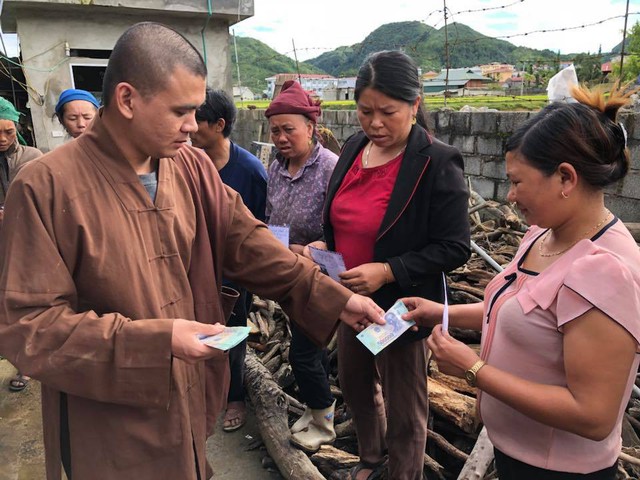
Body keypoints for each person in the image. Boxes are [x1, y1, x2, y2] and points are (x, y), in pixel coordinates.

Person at [0, 22, 384, 480]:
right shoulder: (45, 186)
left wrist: (335, 298)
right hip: (110, 417)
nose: (192, 126)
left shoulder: (192, 165)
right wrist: (155, 343)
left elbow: (245, 239)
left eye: (196, 110)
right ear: (126, 99)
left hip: (190, 392)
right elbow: (30, 326)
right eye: (180, 110)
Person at [404, 84, 640, 480]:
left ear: (565, 177)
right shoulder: (543, 234)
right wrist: (441, 312)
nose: (510, 196)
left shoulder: (604, 270)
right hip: (517, 454)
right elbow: (516, 310)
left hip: (559, 470)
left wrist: (473, 370)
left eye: (517, 182)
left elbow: (593, 414)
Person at [303, 50, 471, 480]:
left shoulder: (436, 161)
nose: (375, 123)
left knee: (404, 403)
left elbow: (454, 247)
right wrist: (330, 244)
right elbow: (343, 216)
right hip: (351, 299)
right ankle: (371, 458)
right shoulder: (356, 147)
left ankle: (404, 473)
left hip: (398, 307)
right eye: (365, 111)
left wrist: (388, 269)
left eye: (388, 112)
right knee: (356, 385)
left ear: (415, 105)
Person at [264, 80, 340, 453]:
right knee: (308, 345)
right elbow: (271, 218)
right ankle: (316, 408)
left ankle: (324, 421)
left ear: (310, 128)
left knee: (303, 352)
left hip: (323, 273)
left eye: (288, 129)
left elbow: (341, 232)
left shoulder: (330, 168)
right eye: (275, 130)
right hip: (288, 271)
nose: (280, 138)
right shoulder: (275, 168)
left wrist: (305, 250)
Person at [190, 87, 267, 432]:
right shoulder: (186, 164)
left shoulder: (250, 171)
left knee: (233, 334)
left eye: (196, 120)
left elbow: (262, 230)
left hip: (234, 272)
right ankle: (204, 392)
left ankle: (235, 395)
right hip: (194, 267)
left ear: (219, 124)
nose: (189, 128)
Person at [0, 96, 42, 392]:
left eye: (8, 132)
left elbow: (44, 199)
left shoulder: (33, 157)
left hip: (24, 241)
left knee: (25, 302)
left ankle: (25, 365)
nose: (2, 139)